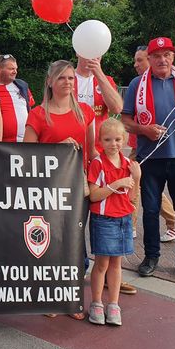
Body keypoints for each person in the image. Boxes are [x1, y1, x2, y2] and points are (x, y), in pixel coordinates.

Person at [121, 37, 175, 283]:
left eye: (167, 55)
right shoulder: (137, 84)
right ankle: (151, 257)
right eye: (157, 56)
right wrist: (144, 129)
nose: (162, 60)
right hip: (150, 158)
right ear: (149, 59)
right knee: (150, 210)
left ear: (174, 57)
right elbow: (124, 121)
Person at [23, 60, 95, 320]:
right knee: (52, 242)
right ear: (50, 82)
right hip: (49, 188)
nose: (68, 83)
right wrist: (56, 150)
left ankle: (72, 298)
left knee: (75, 242)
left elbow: (93, 151)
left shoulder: (85, 111)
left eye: (71, 78)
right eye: (62, 78)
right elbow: (26, 156)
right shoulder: (38, 114)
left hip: (79, 186)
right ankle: (52, 296)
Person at [87, 119, 141, 326]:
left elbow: (131, 197)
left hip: (123, 219)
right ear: (100, 140)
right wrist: (116, 183)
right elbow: (93, 195)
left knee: (117, 263)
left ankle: (114, 304)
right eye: (108, 139)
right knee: (102, 263)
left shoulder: (128, 164)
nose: (114, 144)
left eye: (118, 139)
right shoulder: (98, 164)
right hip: (104, 219)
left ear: (125, 140)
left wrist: (137, 177)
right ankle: (97, 302)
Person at [130, 46, 175, 243]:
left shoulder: (166, 84)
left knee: (135, 184)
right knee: (139, 185)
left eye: (139, 60)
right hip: (139, 146)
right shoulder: (137, 85)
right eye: (135, 61)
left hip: (152, 149)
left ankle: (130, 225)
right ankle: (172, 222)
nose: (135, 65)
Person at [74, 54, 123, 149]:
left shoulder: (106, 80)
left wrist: (99, 73)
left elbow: (117, 108)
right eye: (89, 51)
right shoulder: (67, 78)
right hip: (73, 146)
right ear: (78, 52)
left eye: (98, 52)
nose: (93, 56)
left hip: (99, 148)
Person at [0, 54, 35, 142]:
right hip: (2, 145)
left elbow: (30, 109)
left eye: (16, 69)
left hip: (26, 142)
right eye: (11, 69)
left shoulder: (22, 86)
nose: (15, 71)